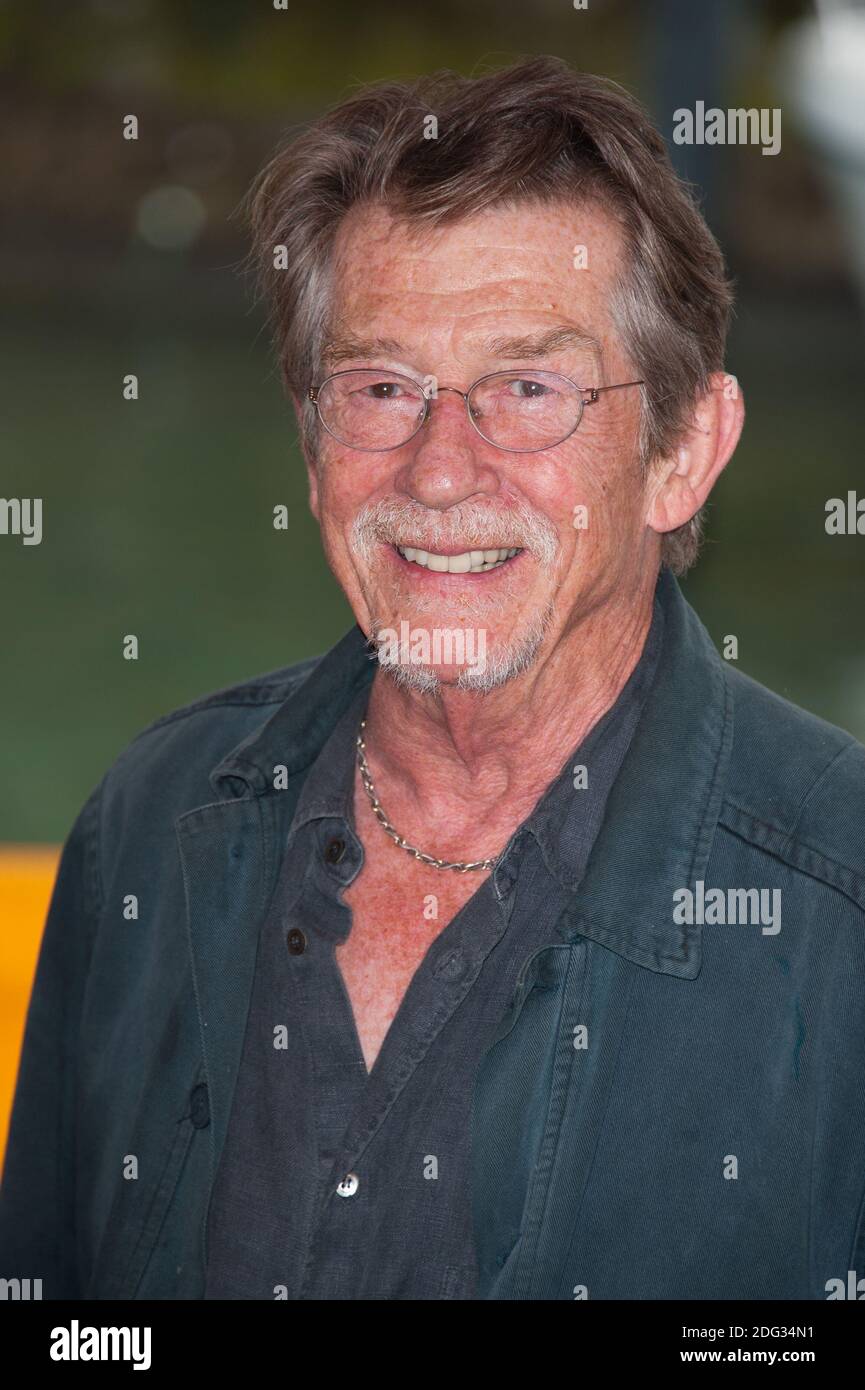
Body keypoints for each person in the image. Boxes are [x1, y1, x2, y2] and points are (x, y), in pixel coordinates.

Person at [2, 56, 864, 1302]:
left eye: (527, 387)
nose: (441, 469)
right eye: (380, 388)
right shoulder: (150, 826)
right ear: (311, 451)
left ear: (683, 452)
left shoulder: (837, 916)